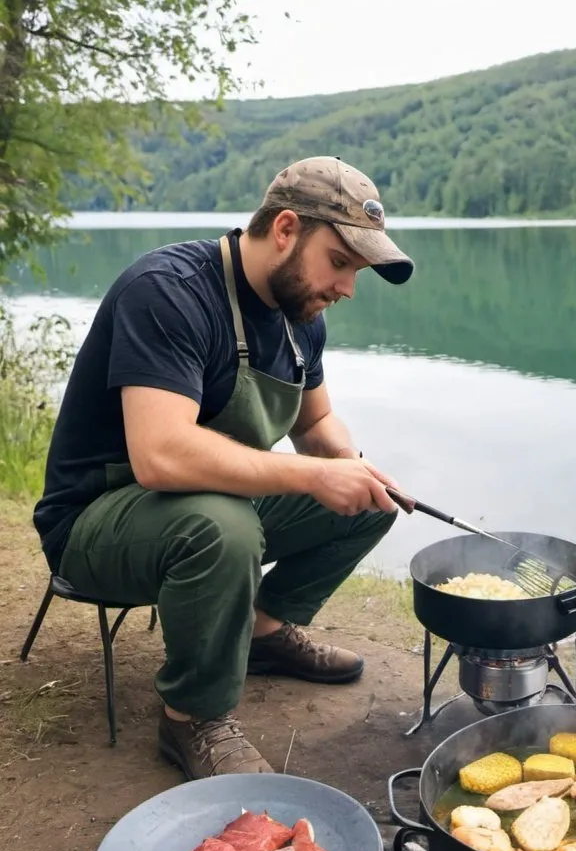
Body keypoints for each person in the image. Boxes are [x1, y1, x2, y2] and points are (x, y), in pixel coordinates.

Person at [32, 156, 415, 780]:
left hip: (203, 503)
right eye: (341, 262)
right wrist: (311, 476)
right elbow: (160, 456)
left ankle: (263, 635)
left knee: (368, 504)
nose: (347, 287)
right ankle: (192, 717)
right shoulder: (169, 290)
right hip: (96, 519)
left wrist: (345, 464)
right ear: (286, 229)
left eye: (358, 271)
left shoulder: (300, 317)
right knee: (221, 528)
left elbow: (315, 425)